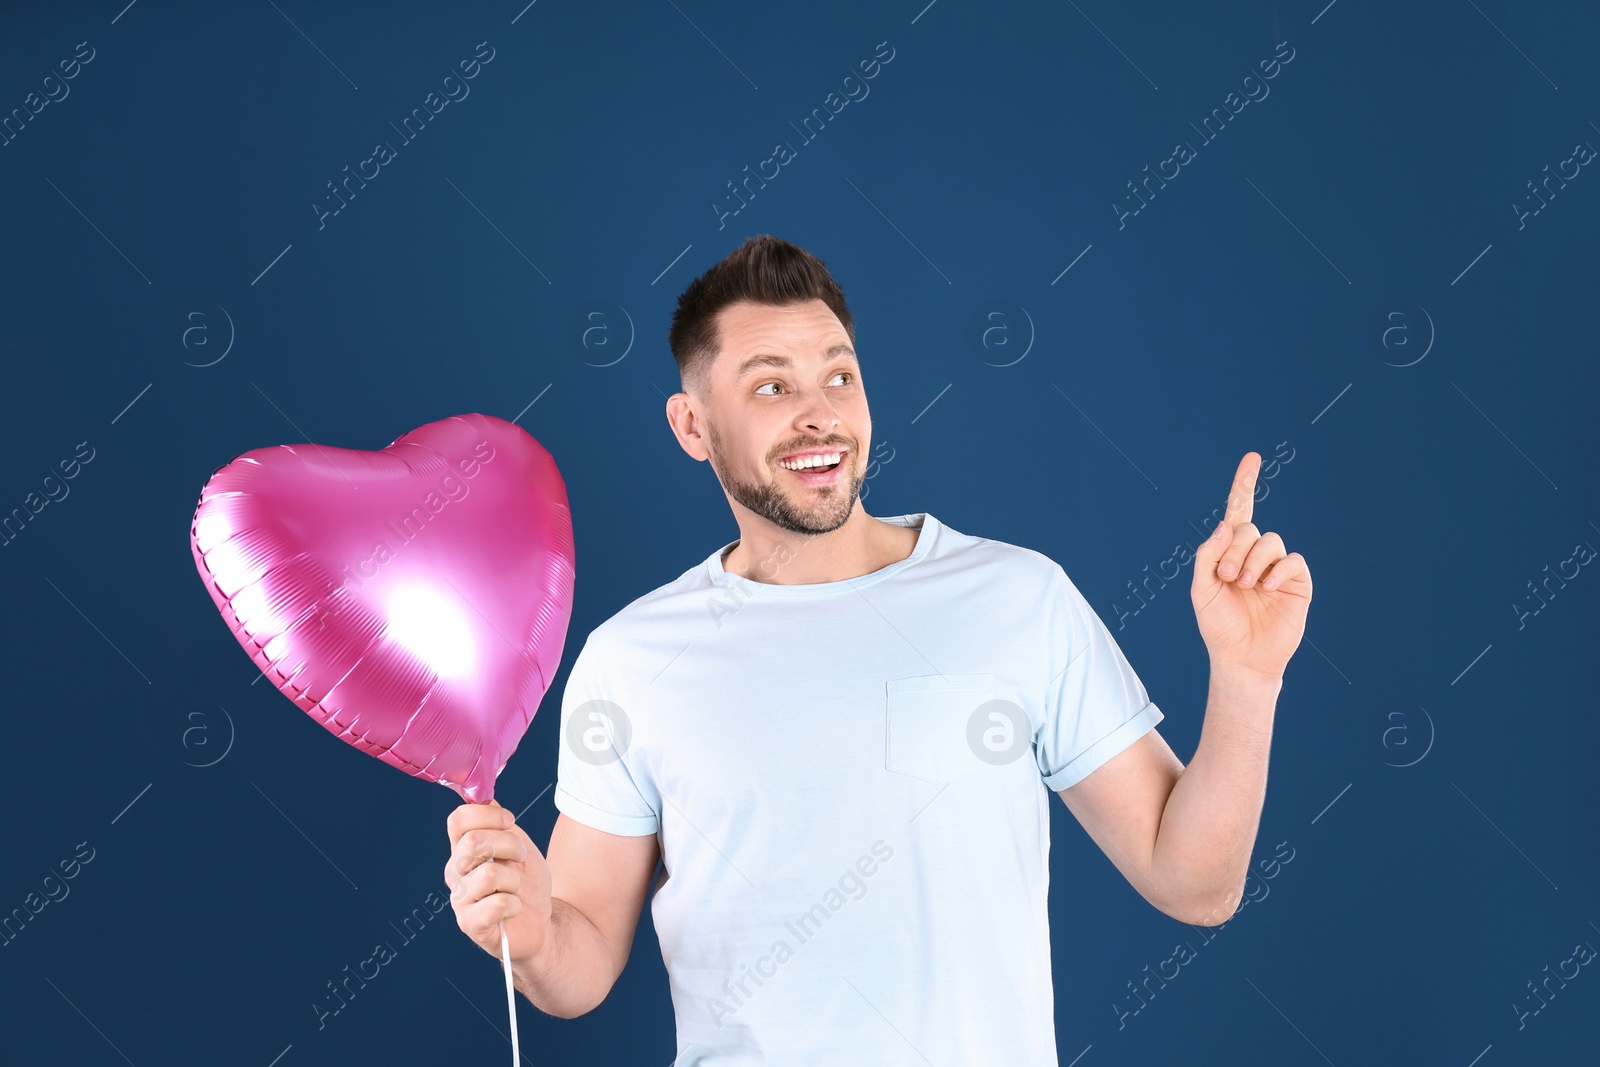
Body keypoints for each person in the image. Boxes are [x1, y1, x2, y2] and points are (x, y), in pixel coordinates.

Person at [444, 235, 1312, 1064]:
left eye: (839, 375)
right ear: (692, 424)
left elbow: (1195, 884)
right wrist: (527, 927)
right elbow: (581, 957)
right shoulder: (632, 659)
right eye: (771, 387)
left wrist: (1247, 678)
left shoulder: (1018, 597)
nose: (819, 414)